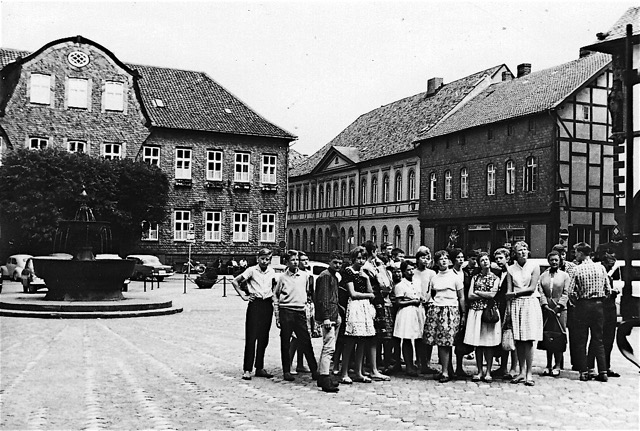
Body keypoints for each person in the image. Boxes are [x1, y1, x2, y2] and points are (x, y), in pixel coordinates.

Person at [339, 246, 388, 384]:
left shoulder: (362, 273)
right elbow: (353, 294)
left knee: (362, 340)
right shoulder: (348, 272)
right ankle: (344, 372)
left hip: (364, 307)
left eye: (363, 258)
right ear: (353, 258)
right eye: (358, 258)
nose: (361, 261)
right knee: (351, 340)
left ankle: (358, 372)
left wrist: (366, 279)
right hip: (354, 307)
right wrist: (368, 295)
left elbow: (370, 290)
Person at [231, 248, 277, 381]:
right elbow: (235, 281)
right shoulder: (251, 270)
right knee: (251, 338)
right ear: (258, 259)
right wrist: (243, 296)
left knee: (264, 338)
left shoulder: (272, 272)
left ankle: (259, 367)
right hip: (255, 304)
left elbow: (274, 286)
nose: (264, 261)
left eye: (267, 259)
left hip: (267, 305)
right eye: (262, 258)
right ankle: (247, 369)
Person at [273, 250, 319, 382]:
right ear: (287, 262)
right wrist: (277, 315)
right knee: (285, 342)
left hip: (300, 312)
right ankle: (286, 370)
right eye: (292, 260)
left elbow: (306, 292)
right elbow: (276, 295)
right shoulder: (282, 277)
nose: (295, 262)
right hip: (286, 311)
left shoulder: (304, 276)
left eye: (297, 260)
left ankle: (314, 370)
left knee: (306, 341)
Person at [568, 242, 612, 382]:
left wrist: (577, 301)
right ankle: (603, 371)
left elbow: (570, 292)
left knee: (581, 339)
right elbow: (608, 290)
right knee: (598, 338)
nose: (575, 255)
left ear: (581, 253)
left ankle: (583, 371)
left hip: (583, 305)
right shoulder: (600, 268)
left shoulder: (577, 269)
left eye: (576, 252)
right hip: (598, 306)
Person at [423, 250, 465, 383]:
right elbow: (431, 294)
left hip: (451, 310)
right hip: (437, 310)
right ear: (436, 262)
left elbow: (461, 297)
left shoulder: (455, 277)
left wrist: (463, 314)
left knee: (447, 342)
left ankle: (446, 371)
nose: (444, 261)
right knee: (441, 342)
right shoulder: (434, 277)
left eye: (446, 258)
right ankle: (446, 370)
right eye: (441, 259)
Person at [506, 241, 543, 386]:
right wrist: (510, 305)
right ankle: (521, 371)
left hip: (530, 303)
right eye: (520, 250)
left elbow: (532, 288)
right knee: (519, 340)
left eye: (525, 249)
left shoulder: (534, 266)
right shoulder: (510, 269)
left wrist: (514, 293)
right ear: (515, 253)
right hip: (516, 305)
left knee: (528, 339)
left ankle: (529, 373)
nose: (523, 252)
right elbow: (508, 290)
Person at [464, 252, 501, 382]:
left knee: (489, 343)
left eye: (487, 259)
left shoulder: (496, 278)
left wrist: (478, 292)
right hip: (476, 311)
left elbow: (492, 295)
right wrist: (484, 294)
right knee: (478, 343)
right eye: (482, 260)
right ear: (479, 264)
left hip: (489, 312)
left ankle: (488, 371)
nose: (485, 262)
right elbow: (469, 296)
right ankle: (479, 371)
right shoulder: (475, 277)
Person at [361, 241, 394, 376]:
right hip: (375, 303)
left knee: (369, 336)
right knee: (373, 336)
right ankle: (371, 367)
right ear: (374, 252)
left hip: (371, 302)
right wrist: (382, 268)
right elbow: (386, 285)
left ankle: (367, 366)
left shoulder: (367, 266)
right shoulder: (371, 267)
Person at [314, 250, 343, 392]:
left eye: (340, 263)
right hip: (328, 317)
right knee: (329, 348)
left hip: (333, 315)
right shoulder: (325, 276)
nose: (337, 265)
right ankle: (325, 378)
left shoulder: (334, 276)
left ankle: (323, 375)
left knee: (329, 346)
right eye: (335, 262)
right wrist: (326, 317)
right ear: (329, 261)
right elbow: (323, 299)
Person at [587, 253, 620, 378]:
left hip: (610, 311)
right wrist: (611, 293)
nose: (610, 268)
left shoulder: (609, 278)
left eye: (612, 266)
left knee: (609, 340)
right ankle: (590, 366)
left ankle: (606, 366)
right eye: (609, 265)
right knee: (596, 339)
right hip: (600, 310)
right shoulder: (598, 276)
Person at [537, 251, 570, 377]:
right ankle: (548, 364)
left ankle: (557, 365)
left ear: (560, 261)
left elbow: (566, 293)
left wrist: (558, 308)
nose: (554, 262)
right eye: (552, 260)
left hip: (560, 310)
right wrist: (545, 306)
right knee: (548, 336)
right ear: (548, 261)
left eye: (556, 260)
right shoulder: (543, 276)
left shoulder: (564, 276)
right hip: (547, 310)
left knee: (559, 336)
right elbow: (541, 292)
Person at [392, 260, 425, 376]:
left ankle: (421, 364)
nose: (411, 272)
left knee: (419, 338)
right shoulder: (400, 285)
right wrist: (412, 301)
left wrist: (421, 299)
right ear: (403, 272)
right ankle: (409, 366)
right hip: (406, 313)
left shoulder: (417, 282)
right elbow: (398, 302)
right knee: (407, 338)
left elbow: (420, 295)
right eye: (408, 270)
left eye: (412, 269)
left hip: (418, 312)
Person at [492, 247, 518, 380]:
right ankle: (503, 367)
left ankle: (513, 367)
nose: (498, 261)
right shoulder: (499, 272)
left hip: (511, 307)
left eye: (501, 258)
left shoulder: (511, 271)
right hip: (501, 307)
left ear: (508, 258)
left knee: (512, 337)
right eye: (496, 259)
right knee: (504, 337)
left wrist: (509, 310)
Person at [552, 243, 578, 370]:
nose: (560, 257)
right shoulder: (551, 268)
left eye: (562, 254)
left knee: (575, 334)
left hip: (571, 305)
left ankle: (576, 362)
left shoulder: (572, 267)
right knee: (557, 332)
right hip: (557, 305)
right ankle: (558, 362)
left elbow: (572, 287)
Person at [289, 251, 315, 374]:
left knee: (304, 337)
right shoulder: (294, 276)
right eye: (302, 260)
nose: (305, 262)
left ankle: (300, 363)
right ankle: (288, 364)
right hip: (297, 308)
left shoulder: (308, 275)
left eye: (306, 259)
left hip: (308, 307)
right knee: (295, 337)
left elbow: (311, 292)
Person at [414, 248, 438, 374]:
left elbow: (432, 289)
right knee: (418, 334)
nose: (425, 260)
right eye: (422, 257)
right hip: (416, 304)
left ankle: (427, 362)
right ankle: (418, 360)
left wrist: (427, 298)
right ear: (417, 259)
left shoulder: (432, 273)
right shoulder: (413, 272)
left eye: (427, 258)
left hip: (428, 304)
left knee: (428, 334)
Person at [450, 248, 473, 379]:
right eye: (458, 257)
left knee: (461, 339)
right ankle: (448, 366)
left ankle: (459, 366)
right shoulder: (450, 274)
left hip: (465, 307)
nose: (461, 259)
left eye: (462, 257)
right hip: (453, 307)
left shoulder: (465, 274)